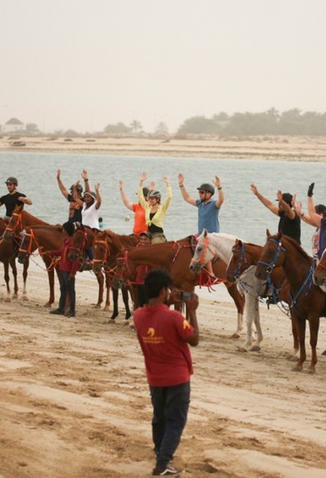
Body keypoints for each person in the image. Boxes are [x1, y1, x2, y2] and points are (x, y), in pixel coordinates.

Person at [133, 269, 199, 477]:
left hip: (155, 376)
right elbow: (194, 338)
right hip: (177, 377)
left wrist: (168, 300)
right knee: (175, 421)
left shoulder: (138, 316)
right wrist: (193, 310)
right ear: (163, 291)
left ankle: (160, 451)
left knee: (159, 417)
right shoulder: (174, 317)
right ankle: (163, 462)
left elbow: (156, 315)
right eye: (168, 290)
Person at [49, 221, 84, 318]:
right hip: (63, 268)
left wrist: (73, 272)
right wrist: (52, 252)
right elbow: (62, 252)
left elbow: (75, 259)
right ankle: (61, 308)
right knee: (63, 288)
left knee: (70, 290)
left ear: (67, 230)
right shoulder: (66, 240)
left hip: (68, 270)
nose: (63, 231)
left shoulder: (72, 242)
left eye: (64, 229)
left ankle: (72, 310)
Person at [138, 173, 173, 243]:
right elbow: (140, 197)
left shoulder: (162, 209)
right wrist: (141, 182)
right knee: (139, 244)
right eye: (149, 198)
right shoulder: (147, 208)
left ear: (157, 199)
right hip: (148, 233)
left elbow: (169, 197)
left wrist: (168, 185)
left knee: (154, 245)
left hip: (158, 235)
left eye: (152, 199)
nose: (150, 200)